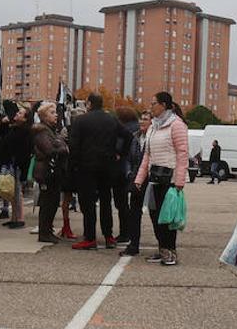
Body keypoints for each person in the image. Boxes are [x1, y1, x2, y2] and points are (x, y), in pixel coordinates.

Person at [67, 94, 133, 250]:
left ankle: (90, 237)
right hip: (107, 165)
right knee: (105, 201)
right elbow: (128, 136)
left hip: (86, 166)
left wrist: (73, 166)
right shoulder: (111, 119)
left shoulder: (81, 121)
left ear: (89, 103)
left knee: (88, 203)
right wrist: (120, 154)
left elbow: (73, 145)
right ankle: (108, 236)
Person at [133, 92, 189, 266]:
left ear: (163, 105)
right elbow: (147, 155)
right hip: (155, 177)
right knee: (155, 215)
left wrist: (179, 180)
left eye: (154, 103)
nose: (151, 106)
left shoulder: (177, 125)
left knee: (168, 218)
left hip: (170, 179)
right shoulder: (153, 127)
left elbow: (182, 153)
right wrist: (140, 177)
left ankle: (170, 251)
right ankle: (162, 249)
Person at [33, 102, 70, 243]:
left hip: (52, 170)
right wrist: (63, 148)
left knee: (53, 202)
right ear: (44, 116)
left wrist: (60, 144)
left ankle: (47, 230)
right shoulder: (41, 130)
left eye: (55, 112)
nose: (56, 115)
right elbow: (48, 150)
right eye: (52, 113)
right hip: (46, 171)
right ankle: (44, 232)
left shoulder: (50, 130)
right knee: (47, 202)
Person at [120, 111, 152, 257]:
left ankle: (165, 246)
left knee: (155, 214)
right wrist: (128, 173)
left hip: (151, 179)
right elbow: (128, 158)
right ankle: (133, 244)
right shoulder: (135, 137)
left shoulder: (154, 137)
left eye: (145, 119)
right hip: (135, 179)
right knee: (134, 213)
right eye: (141, 118)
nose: (141, 121)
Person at [0, 107, 33, 230]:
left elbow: (24, 151)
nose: (17, 114)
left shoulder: (24, 132)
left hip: (16, 164)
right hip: (10, 163)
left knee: (17, 191)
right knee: (13, 191)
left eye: (20, 113)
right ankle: (14, 218)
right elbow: (1, 139)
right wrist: (4, 125)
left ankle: (20, 218)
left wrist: (19, 165)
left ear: (25, 118)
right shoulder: (13, 128)